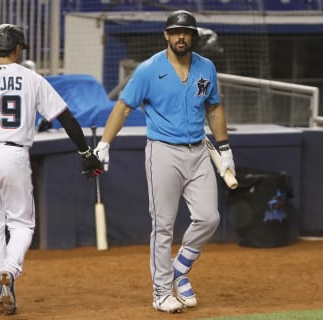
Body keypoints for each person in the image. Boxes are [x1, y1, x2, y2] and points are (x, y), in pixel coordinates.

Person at [0, 24, 103, 316]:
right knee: (22, 225)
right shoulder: (31, 79)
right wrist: (86, 152)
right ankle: (9, 271)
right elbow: (65, 118)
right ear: (15, 48)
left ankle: (0, 288)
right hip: (12, 154)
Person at [94, 10, 235, 313]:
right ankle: (161, 291)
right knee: (163, 226)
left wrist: (225, 149)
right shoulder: (148, 70)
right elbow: (122, 107)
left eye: (186, 32)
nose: (181, 37)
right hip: (163, 152)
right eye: (176, 32)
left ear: (193, 37)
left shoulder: (206, 68)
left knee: (209, 217)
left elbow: (214, 108)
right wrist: (105, 143)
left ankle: (179, 269)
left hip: (199, 152)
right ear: (166, 35)